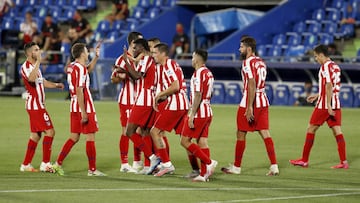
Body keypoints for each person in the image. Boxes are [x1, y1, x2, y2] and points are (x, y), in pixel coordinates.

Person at [221, 36, 279, 176]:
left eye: (241, 47)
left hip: (250, 100)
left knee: (241, 133)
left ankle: (236, 167)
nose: (239, 49)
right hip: (263, 100)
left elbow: (251, 83)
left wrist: (249, 107)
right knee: (265, 132)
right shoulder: (261, 62)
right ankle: (274, 166)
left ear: (248, 48)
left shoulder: (247, 62)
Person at [289, 44, 349, 169]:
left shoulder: (325, 67)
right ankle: (344, 162)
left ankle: (304, 160)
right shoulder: (335, 66)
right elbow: (331, 86)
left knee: (311, 129)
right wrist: (317, 95)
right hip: (335, 102)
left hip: (325, 104)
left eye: (316, 56)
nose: (316, 59)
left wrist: (327, 105)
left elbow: (328, 86)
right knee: (337, 131)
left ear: (322, 55)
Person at [52, 42, 107, 176]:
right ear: (82, 53)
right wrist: (84, 112)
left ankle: (57, 163)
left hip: (74, 105)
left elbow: (87, 70)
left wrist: (96, 57)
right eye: (87, 51)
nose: (88, 53)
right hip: (84, 105)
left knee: (74, 137)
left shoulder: (72, 66)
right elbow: (79, 89)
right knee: (90, 137)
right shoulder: (80, 69)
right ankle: (92, 170)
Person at [20, 42, 65, 172]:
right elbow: (32, 79)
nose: (39, 52)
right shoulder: (26, 67)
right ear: (29, 53)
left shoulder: (35, 67)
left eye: (39, 49)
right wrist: (39, 61)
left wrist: (56, 85)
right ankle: (45, 163)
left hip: (38, 105)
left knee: (35, 136)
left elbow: (42, 82)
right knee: (50, 132)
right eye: (36, 50)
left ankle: (26, 164)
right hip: (35, 106)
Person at [122, 38, 161, 175]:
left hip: (144, 99)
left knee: (129, 131)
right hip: (150, 98)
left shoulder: (146, 59)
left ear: (141, 47)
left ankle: (152, 157)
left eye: (135, 48)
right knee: (145, 132)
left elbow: (137, 76)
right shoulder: (150, 60)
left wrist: (126, 62)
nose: (134, 50)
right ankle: (148, 165)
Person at [151, 43, 189, 177]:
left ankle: (167, 164)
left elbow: (175, 86)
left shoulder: (168, 65)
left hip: (176, 104)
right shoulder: (170, 64)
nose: (153, 55)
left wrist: (159, 95)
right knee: (185, 139)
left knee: (155, 131)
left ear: (162, 54)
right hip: (181, 103)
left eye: (155, 53)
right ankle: (204, 165)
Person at [180, 49, 217, 182]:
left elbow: (198, 94)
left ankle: (208, 162)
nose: (191, 59)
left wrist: (191, 114)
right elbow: (210, 93)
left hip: (199, 113)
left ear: (197, 58)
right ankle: (203, 174)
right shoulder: (208, 73)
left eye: (192, 56)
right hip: (208, 111)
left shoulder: (198, 74)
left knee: (184, 141)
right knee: (202, 142)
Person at [111, 31, 143, 173]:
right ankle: (124, 164)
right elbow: (113, 79)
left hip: (141, 100)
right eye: (140, 42)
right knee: (126, 131)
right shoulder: (121, 59)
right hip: (127, 100)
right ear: (132, 44)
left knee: (139, 131)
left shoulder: (142, 59)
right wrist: (121, 76)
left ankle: (137, 162)